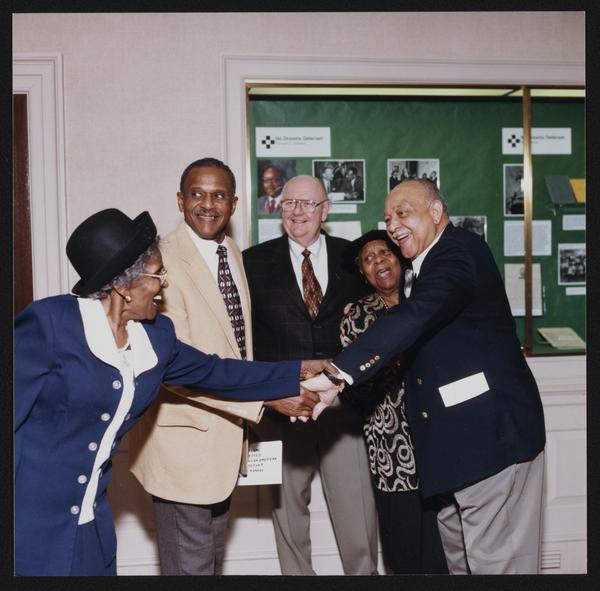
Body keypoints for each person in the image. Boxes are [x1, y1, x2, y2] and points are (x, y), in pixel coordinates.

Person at [14, 207, 333, 576]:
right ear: (123, 286)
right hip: (29, 524)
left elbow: (217, 371)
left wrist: (295, 371)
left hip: (91, 525)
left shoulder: (154, 338)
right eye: (157, 274)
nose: (163, 284)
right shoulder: (52, 325)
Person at [329, 179, 546, 574]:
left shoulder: (458, 251)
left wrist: (338, 373)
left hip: (491, 441)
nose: (393, 225)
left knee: (499, 564)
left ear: (435, 212)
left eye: (403, 213)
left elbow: (415, 316)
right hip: (450, 456)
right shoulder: (417, 269)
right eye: (388, 218)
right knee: (461, 563)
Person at [127, 158, 301, 575]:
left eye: (219, 195)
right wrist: (265, 399)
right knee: (191, 568)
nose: (208, 204)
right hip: (182, 447)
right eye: (197, 194)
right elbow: (175, 368)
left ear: (234, 204)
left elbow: (234, 346)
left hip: (223, 443)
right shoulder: (162, 261)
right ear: (180, 200)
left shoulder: (230, 252)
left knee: (208, 564)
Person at [243, 175, 378, 576]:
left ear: (326, 209)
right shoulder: (252, 262)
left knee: (357, 514)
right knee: (288, 516)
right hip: (283, 406)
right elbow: (245, 338)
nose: (297, 212)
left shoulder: (353, 258)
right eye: (289, 204)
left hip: (344, 407)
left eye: (307, 203)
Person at [339, 230, 448, 575]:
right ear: (363, 274)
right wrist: (389, 361)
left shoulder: (425, 302)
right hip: (392, 449)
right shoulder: (357, 316)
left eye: (384, 253)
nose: (379, 262)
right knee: (404, 550)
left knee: (445, 546)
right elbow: (354, 391)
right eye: (368, 260)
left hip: (440, 441)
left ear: (399, 258)